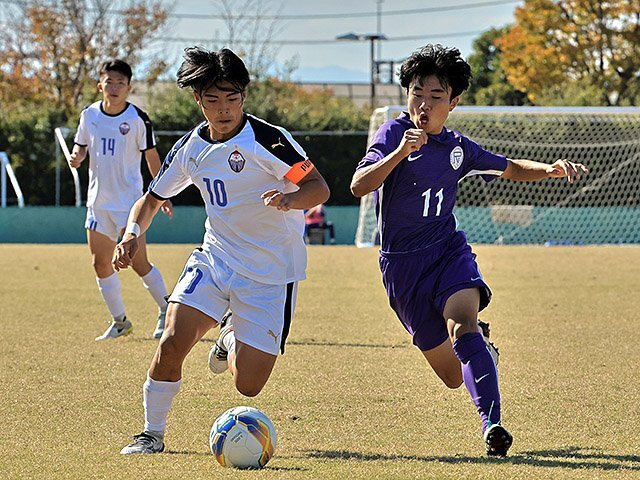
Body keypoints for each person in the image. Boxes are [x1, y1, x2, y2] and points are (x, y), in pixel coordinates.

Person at [350, 44, 588, 457]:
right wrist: (399, 153)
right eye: (416, 93)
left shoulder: (459, 148)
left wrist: (549, 168)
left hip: (447, 252)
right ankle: (483, 351)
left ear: (453, 103)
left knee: (462, 327)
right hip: (402, 269)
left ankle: (493, 425)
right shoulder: (391, 134)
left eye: (435, 97)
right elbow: (359, 185)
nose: (423, 104)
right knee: (451, 376)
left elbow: (510, 167)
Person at [113, 47, 330, 455]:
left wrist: (289, 200)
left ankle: (228, 336)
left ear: (243, 98)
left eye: (232, 99)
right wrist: (130, 234)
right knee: (173, 340)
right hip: (216, 259)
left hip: (270, 273)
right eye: (213, 100)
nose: (223, 108)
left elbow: (318, 187)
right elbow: (151, 199)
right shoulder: (189, 149)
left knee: (248, 385)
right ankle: (151, 433)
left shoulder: (269, 140)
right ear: (198, 100)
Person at [69, 59, 173, 341]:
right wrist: (77, 156)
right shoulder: (88, 115)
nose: (114, 87)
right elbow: (80, 145)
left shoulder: (139, 118)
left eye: (120, 83)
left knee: (139, 264)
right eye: (109, 81)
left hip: (131, 207)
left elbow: (152, 158)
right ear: (99, 85)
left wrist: (162, 193)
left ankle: (167, 310)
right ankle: (120, 321)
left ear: (129, 87)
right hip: (98, 204)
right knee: (100, 263)